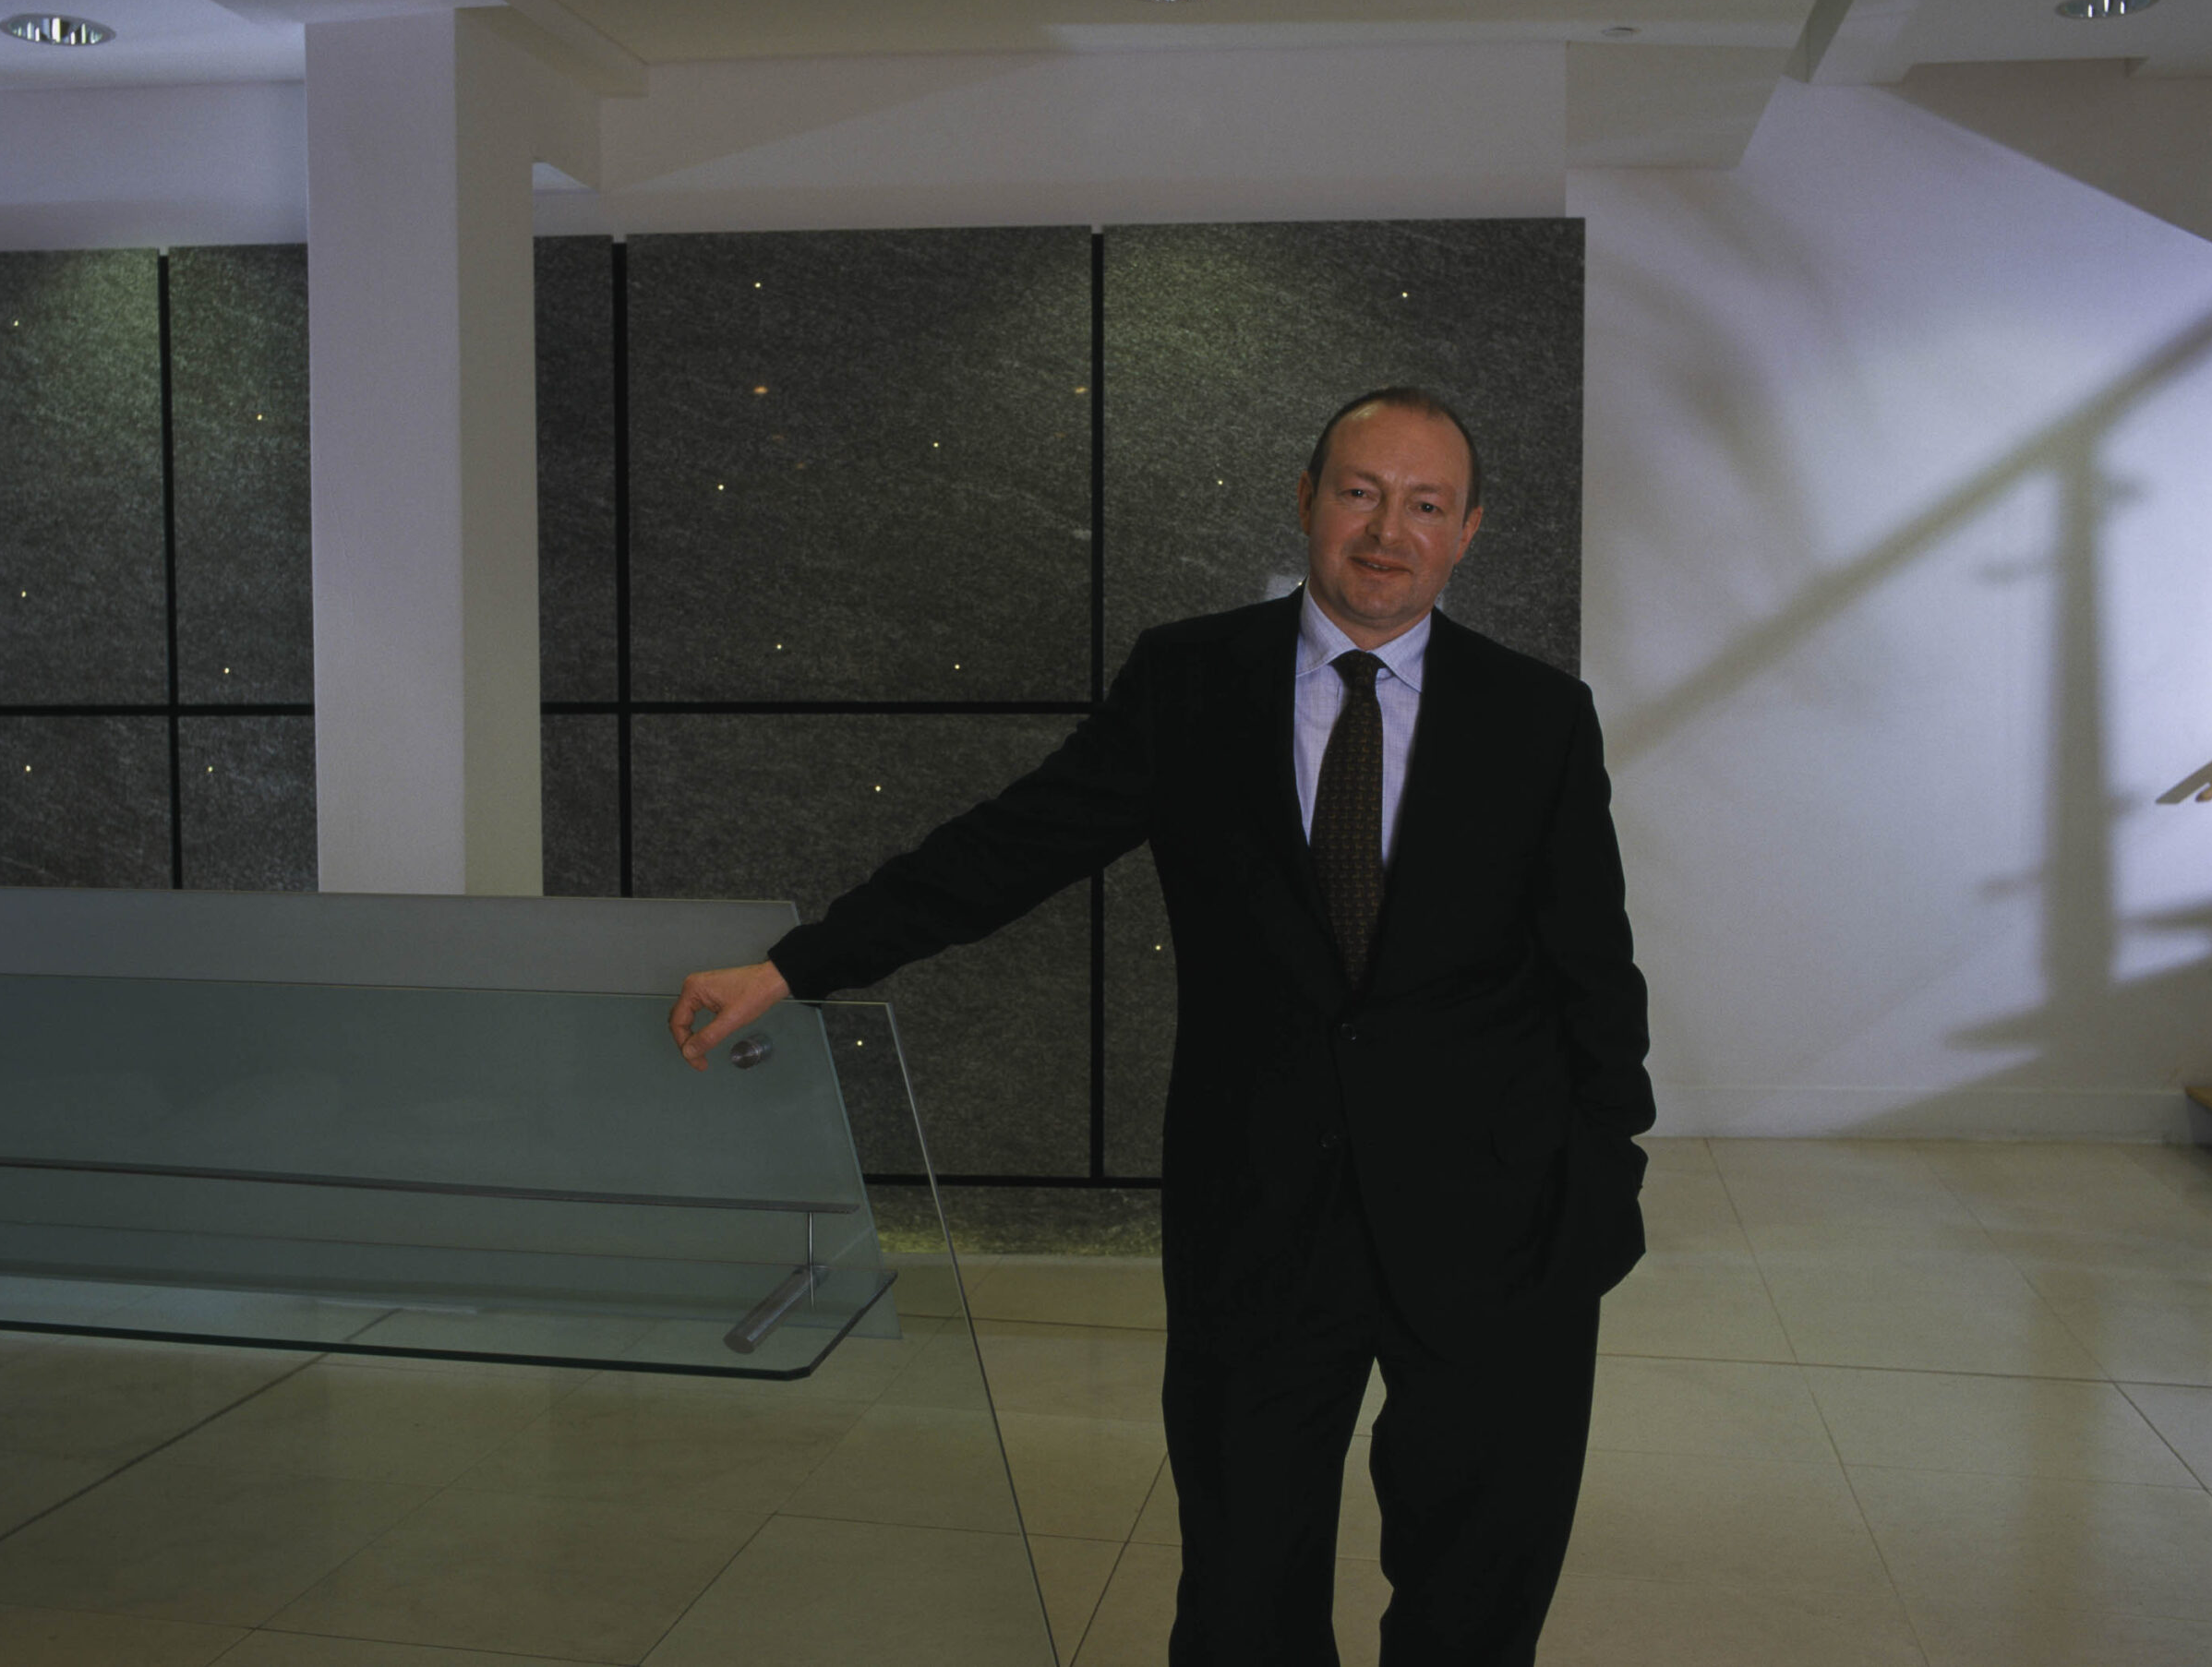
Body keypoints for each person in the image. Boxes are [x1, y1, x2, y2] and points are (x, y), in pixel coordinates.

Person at [668, 388, 1653, 1666]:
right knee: (1243, 1591)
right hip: (1263, 1216)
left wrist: (1601, 1195)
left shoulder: (1538, 717)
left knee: (1475, 1598)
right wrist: (798, 967)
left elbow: (1595, 972)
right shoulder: (1193, 681)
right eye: (1360, 493)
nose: (1386, 532)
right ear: (1307, 500)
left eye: (1424, 506)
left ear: (1469, 531)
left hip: (1497, 1222)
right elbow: (1011, 847)